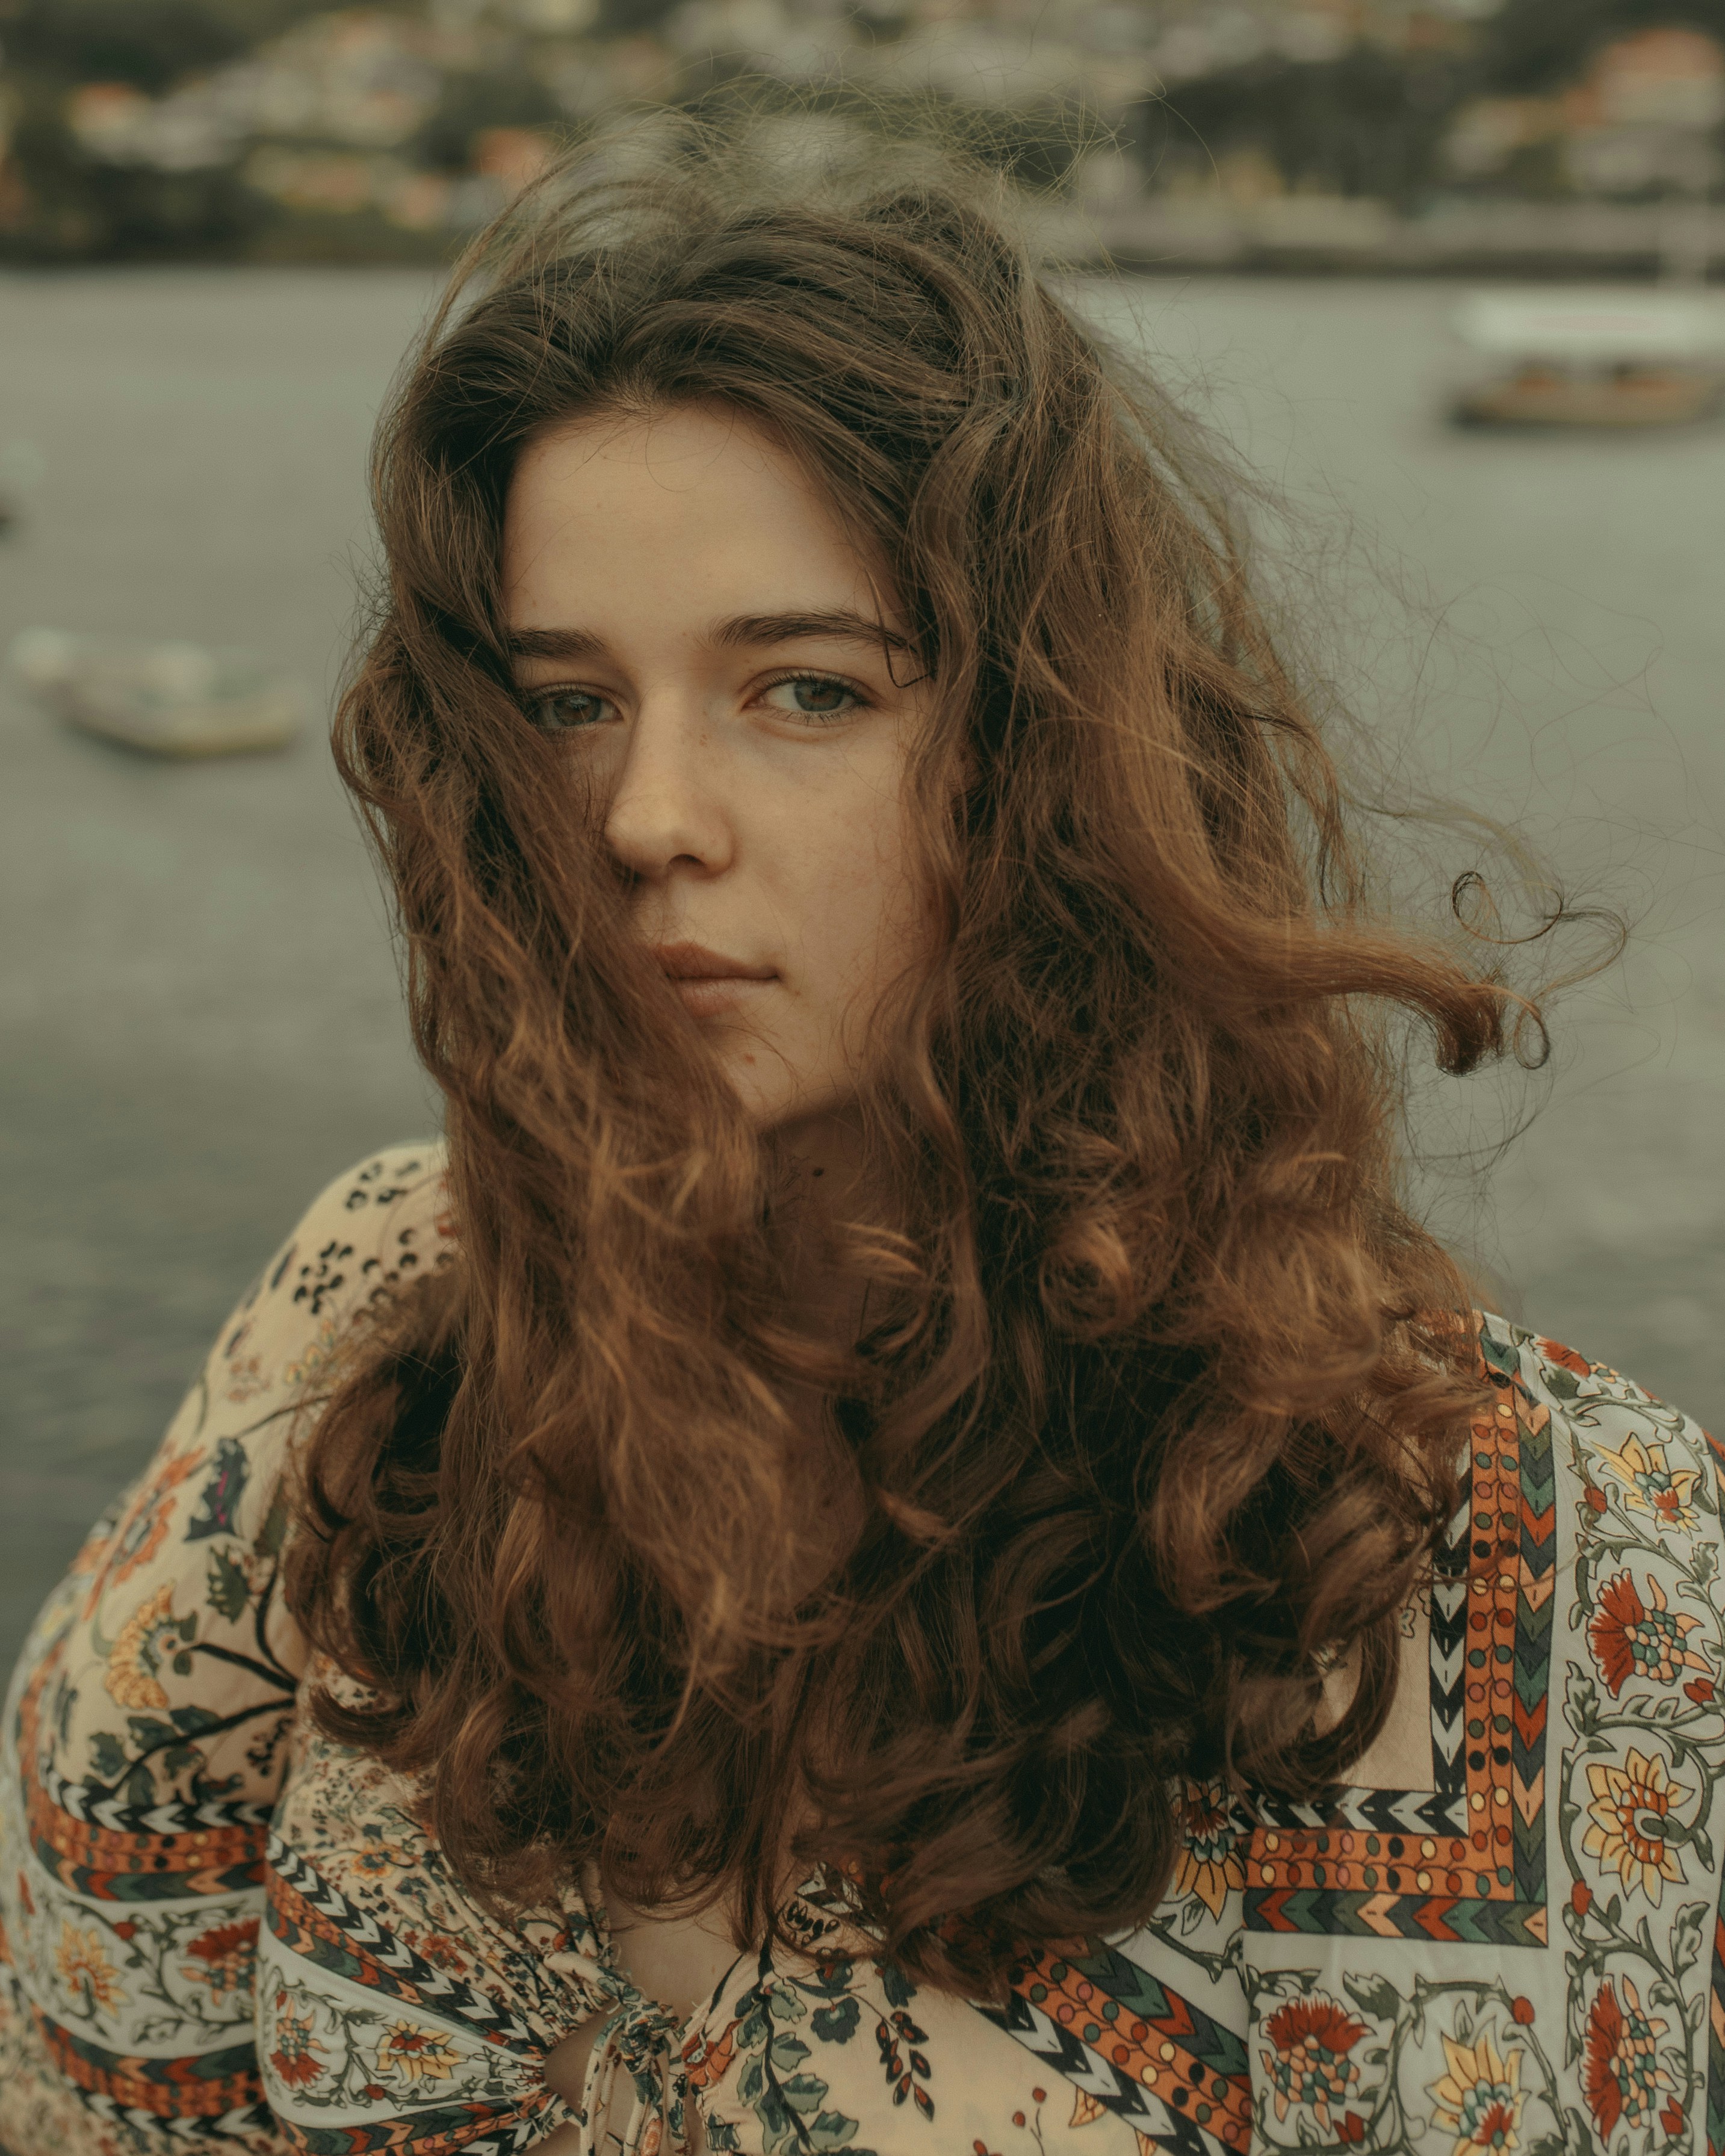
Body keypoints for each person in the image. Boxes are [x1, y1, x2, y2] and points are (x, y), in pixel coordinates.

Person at [1, 116, 1714, 2156]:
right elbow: (89, 2034)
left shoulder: (1530, 1539)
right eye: (567, 704)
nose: (647, 818)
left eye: (805, 693)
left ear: (1046, 755)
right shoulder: (375, 1317)